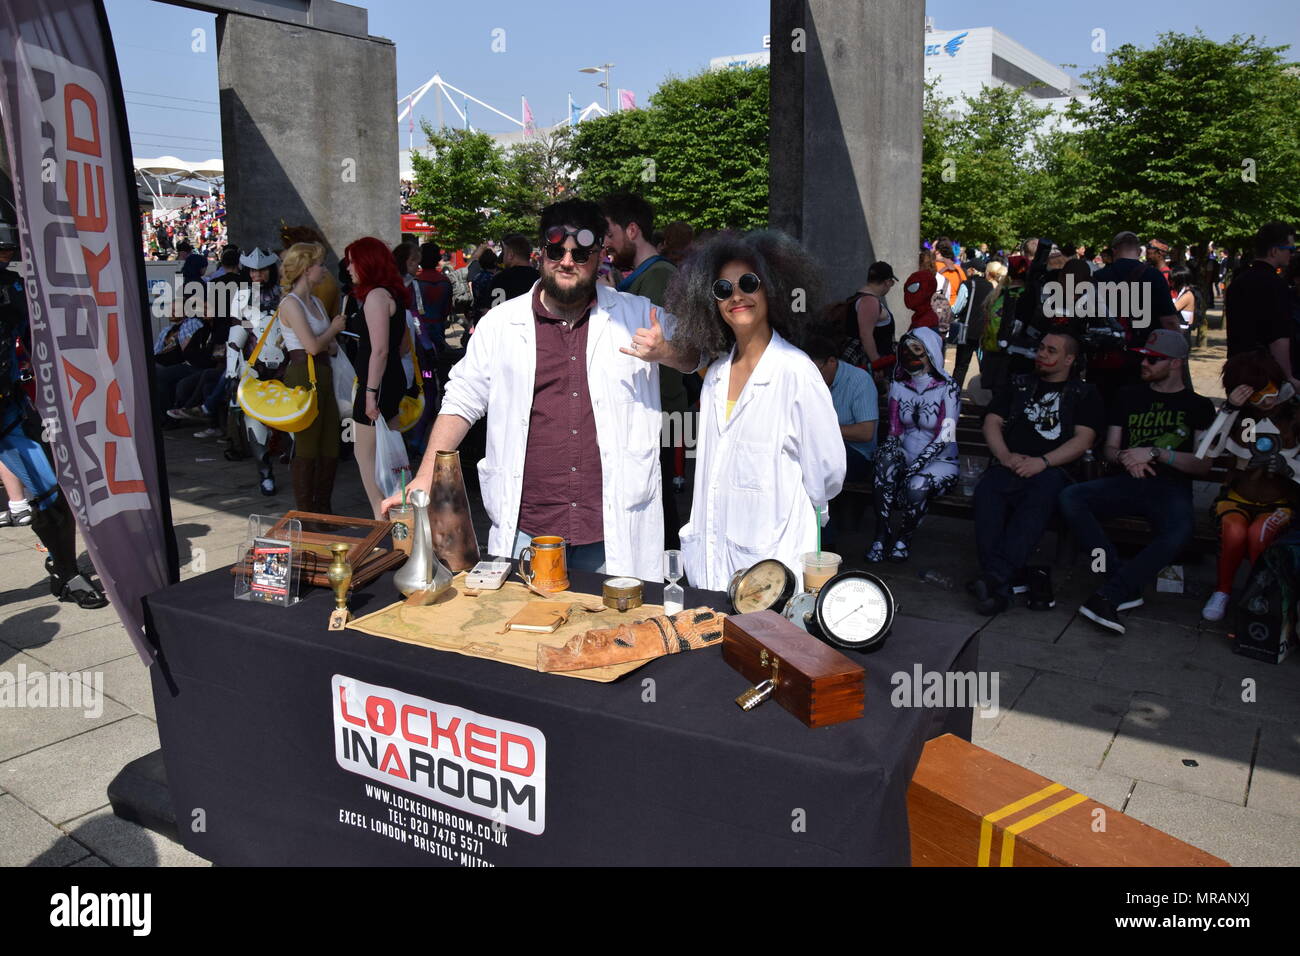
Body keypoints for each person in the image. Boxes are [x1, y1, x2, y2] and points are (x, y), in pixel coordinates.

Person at [380, 199, 701, 579]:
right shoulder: (501, 325)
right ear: (540, 252)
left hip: (612, 532)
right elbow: (461, 402)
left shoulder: (637, 314)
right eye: (556, 250)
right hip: (527, 533)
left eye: (581, 253)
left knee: (608, 637)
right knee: (526, 634)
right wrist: (424, 476)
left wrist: (668, 352)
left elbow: (697, 356)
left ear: (600, 255)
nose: (567, 261)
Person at [665, 231, 844, 590]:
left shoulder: (796, 372)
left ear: (771, 289)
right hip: (712, 570)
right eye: (723, 289)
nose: (737, 296)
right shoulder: (716, 375)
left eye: (749, 283)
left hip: (772, 572)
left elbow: (827, 473)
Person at [1059, 330, 1215, 633]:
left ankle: (1111, 594)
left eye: (1153, 359)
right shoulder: (1128, 395)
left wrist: (1155, 453)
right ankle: (1120, 581)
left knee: (1181, 530)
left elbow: (1202, 464)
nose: (1143, 363)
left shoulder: (1198, 406)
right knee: (1070, 497)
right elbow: (1111, 450)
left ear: (1175, 364)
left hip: (1170, 487)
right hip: (1127, 481)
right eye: (1143, 356)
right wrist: (1128, 457)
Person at [0, 238, 108, 607]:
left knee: (51, 494)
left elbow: (36, 336)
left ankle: (66, 572)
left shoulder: (13, 287)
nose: (5, 255)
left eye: (6, 248)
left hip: (9, 408)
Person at [970, 332, 1104, 615]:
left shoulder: (1084, 393)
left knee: (1039, 498)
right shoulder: (1019, 384)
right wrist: (1004, 455)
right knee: (986, 493)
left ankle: (995, 579)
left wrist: (1043, 462)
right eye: (1041, 348)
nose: (1041, 354)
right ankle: (999, 586)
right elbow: (992, 422)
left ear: (1069, 359)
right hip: (1010, 464)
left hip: (1053, 470)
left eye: (1051, 350)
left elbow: (1083, 440)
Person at [602, 192, 689, 550]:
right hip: (657, 407)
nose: (605, 244)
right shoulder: (647, 274)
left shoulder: (659, 276)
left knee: (660, 495)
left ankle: (665, 574)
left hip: (663, 408)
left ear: (632, 230)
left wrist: (611, 298)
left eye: (609, 234)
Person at [1194, 351, 1300, 622]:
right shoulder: (1240, 418)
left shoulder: (1294, 415)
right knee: (1234, 531)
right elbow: (1204, 450)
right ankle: (1223, 591)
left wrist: (1288, 469)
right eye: (1255, 394)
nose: (1266, 399)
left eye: (1269, 389)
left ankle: (1264, 594)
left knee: (1260, 533)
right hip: (1238, 498)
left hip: (1280, 501)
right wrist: (1228, 409)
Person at [866, 327, 959, 562]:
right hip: (907, 456)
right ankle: (881, 532)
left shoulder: (948, 388)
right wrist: (889, 456)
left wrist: (915, 466)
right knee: (884, 465)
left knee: (916, 486)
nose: (909, 355)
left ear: (930, 354)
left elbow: (944, 436)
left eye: (916, 350)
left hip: (941, 461)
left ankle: (904, 537)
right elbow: (895, 430)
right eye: (905, 349)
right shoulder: (899, 385)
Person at [276, 242, 347, 513]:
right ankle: (307, 512)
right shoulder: (291, 303)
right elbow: (313, 346)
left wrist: (329, 337)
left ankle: (323, 509)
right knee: (307, 444)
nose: (324, 269)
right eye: (320, 264)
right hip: (304, 374)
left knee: (330, 443)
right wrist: (333, 329)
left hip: (322, 371)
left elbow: (325, 346)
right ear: (306, 269)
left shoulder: (314, 301)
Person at [344, 236, 410, 519]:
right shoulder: (392, 294)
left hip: (378, 384)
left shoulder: (375, 297)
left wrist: (370, 393)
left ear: (366, 263)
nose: (348, 268)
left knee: (368, 458)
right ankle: (400, 518)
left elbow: (379, 350)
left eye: (352, 261)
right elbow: (401, 346)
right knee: (391, 457)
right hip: (389, 380)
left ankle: (381, 519)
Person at [1086, 231, 1180, 409]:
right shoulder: (1153, 276)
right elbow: (1169, 321)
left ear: (1114, 251)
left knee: (1103, 407)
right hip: (1143, 357)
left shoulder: (1098, 278)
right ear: (1139, 251)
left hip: (1104, 356)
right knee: (1137, 407)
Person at [803, 334, 878, 549]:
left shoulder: (858, 381)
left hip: (857, 454)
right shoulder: (808, 380)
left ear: (832, 362)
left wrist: (824, 431)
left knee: (815, 471)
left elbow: (865, 433)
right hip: (819, 450)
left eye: (817, 370)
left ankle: (825, 546)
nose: (813, 376)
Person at [1225, 221, 1296, 389]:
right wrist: (1288, 378)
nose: (1291, 255)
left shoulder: (1238, 282)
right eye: (1290, 250)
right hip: (1265, 375)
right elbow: (1278, 337)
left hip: (1237, 369)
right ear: (1274, 251)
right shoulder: (1276, 285)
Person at [840, 261, 898, 374]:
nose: (891, 286)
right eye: (892, 282)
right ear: (887, 282)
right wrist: (878, 365)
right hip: (867, 366)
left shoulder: (858, 297)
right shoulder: (869, 301)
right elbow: (865, 335)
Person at [950, 259, 994, 393]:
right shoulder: (990, 286)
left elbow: (957, 308)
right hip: (983, 332)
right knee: (984, 366)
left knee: (961, 365)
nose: (966, 271)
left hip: (966, 331)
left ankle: (954, 394)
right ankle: (985, 396)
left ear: (973, 270)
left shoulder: (967, 285)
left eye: (968, 269)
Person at [488, 234, 540, 306]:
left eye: (504, 252)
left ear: (510, 255)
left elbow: (489, 310)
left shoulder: (499, 279)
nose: (502, 257)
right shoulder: (540, 279)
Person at [933, 238, 967, 309]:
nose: (931, 250)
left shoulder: (933, 267)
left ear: (937, 252)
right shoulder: (959, 269)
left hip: (936, 310)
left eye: (933, 248)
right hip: (954, 310)